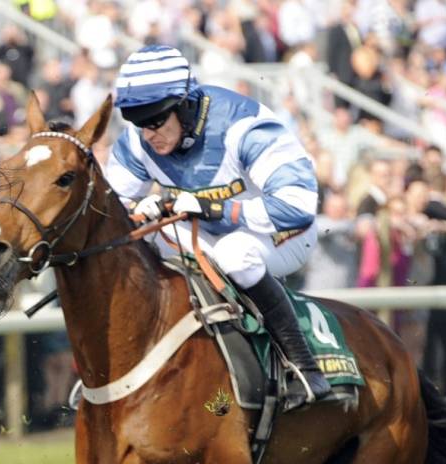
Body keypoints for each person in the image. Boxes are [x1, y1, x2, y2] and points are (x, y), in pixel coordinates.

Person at [108, 45, 342, 410]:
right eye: (138, 122)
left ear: (185, 105)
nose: (148, 133)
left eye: (155, 120)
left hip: (280, 235)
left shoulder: (244, 126)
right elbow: (113, 210)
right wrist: (138, 210)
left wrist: (214, 208)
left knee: (234, 254)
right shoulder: (138, 142)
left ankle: (303, 368)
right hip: (206, 234)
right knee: (142, 240)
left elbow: (298, 207)